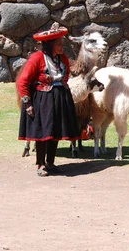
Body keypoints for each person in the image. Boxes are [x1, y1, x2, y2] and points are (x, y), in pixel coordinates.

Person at [17, 24, 81, 176]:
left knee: (56, 131)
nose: (61, 47)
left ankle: (50, 162)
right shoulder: (37, 59)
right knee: (43, 132)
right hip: (43, 100)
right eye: (59, 44)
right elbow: (23, 81)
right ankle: (40, 164)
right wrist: (27, 103)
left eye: (61, 44)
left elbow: (65, 75)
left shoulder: (62, 58)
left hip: (60, 98)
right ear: (50, 45)